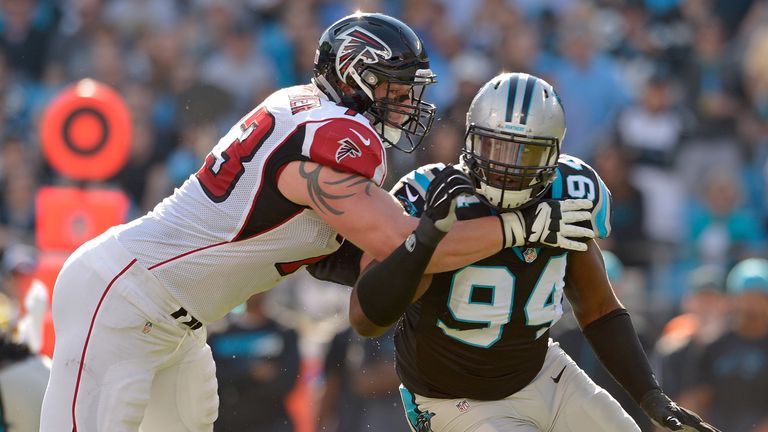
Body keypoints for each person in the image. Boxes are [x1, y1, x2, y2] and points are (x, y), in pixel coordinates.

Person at [39, 13, 591, 432]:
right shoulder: (336, 135)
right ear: (355, 76)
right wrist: (524, 226)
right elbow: (407, 247)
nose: (406, 105)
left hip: (173, 322)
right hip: (123, 297)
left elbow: (361, 259)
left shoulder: (304, 110)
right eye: (395, 89)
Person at [346, 73, 721, 431]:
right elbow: (367, 319)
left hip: (540, 372)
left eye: (524, 153)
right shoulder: (436, 194)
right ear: (472, 140)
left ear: (552, 155)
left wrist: (651, 396)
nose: (506, 166)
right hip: (451, 397)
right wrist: (426, 237)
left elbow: (599, 308)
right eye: (496, 145)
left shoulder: (569, 192)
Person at [679, 258, 768, 432]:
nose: (752, 305)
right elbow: (695, 398)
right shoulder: (713, 346)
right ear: (733, 299)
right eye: (747, 297)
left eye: (760, 298)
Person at [207, 292, 299, 431]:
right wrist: (250, 372)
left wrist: (236, 377)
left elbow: (285, 382)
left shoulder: (284, 332)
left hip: (271, 423)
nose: (255, 292)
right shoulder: (219, 334)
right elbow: (212, 381)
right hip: (228, 424)